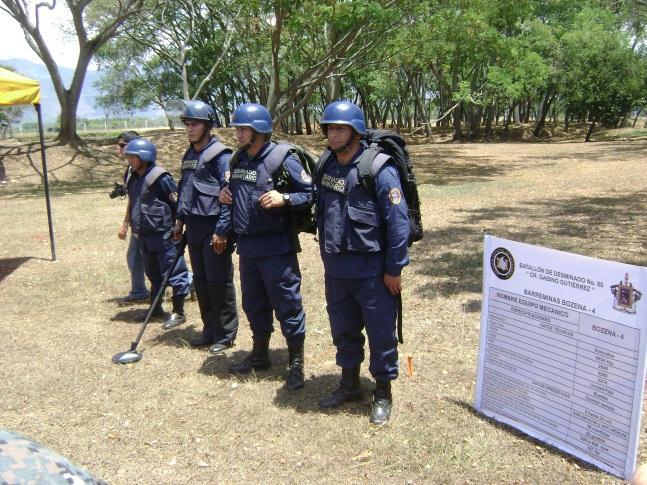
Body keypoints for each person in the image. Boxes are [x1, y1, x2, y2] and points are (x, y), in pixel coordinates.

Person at [315, 100, 410, 425]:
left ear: (356, 131)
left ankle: (382, 392)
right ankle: (349, 383)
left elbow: (397, 223)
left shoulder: (378, 168)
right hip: (337, 270)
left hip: (372, 273)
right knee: (343, 329)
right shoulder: (326, 165)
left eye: (340, 128)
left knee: (381, 333)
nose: (333, 133)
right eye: (329, 128)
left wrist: (394, 268)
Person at [218, 103, 311, 391]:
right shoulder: (238, 161)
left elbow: (312, 193)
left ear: (259, 131)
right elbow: (233, 197)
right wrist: (225, 200)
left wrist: (285, 198)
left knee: (288, 304)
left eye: (242, 129)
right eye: (236, 129)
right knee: (254, 304)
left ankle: (296, 361)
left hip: (277, 248)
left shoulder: (283, 159)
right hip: (247, 248)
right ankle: (260, 354)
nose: (237, 134)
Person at [171, 100, 239, 352]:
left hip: (214, 228)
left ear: (208, 125)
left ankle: (225, 334)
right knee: (200, 281)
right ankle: (209, 329)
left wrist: (222, 230)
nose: (190, 128)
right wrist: (179, 221)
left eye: (195, 124)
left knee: (218, 282)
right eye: (187, 124)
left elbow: (228, 196)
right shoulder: (189, 155)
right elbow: (184, 190)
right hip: (193, 227)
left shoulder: (221, 156)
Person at [124, 138, 191, 328]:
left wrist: (178, 227)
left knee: (174, 272)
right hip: (145, 235)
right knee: (152, 273)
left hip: (164, 235)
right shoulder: (133, 176)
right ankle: (155, 308)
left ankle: (178, 312)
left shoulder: (160, 178)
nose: (128, 159)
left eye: (132, 156)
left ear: (144, 157)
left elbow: (176, 203)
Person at [116, 131, 150, 303]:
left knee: (163, 262)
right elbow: (132, 199)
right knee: (134, 257)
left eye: (122, 145)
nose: (118, 149)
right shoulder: (130, 169)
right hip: (138, 223)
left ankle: (188, 281)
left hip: (151, 224)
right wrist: (126, 224)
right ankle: (138, 291)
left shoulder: (145, 169)